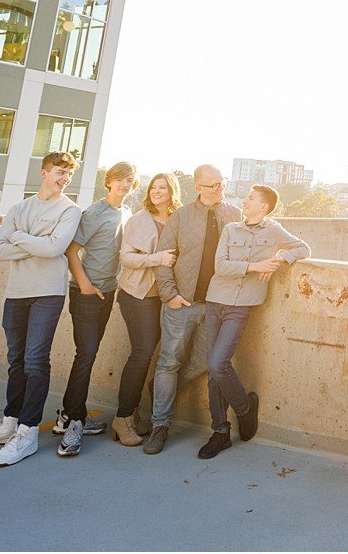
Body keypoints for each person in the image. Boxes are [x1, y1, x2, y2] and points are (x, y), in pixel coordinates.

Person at [0, 151, 82, 467]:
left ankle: (28, 433)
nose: (64, 178)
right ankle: (9, 423)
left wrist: (17, 236)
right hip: (16, 293)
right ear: (44, 172)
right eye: (59, 172)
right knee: (15, 359)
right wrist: (34, 241)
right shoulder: (19, 208)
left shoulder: (70, 210)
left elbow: (55, 248)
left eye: (69, 174)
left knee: (34, 360)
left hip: (48, 294)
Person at [195, 184, 310, 460]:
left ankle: (245, 409)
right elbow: (220, 266)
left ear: (264, 207)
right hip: (216, 301)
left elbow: (303, 248)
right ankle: (220, 431)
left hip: (242, 306)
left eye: (250, 199)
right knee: (213, 372)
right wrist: (256, 266)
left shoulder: (274, 231)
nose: (244, 202)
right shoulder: (231, 229)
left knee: (217, 363)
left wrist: (281, 258)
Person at [144, 164, 241, 454]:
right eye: (212, 185)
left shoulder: (234, 215)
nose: (219, 189)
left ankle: (159, 390)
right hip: (181, 304)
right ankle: (159, 425)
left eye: (221, 183)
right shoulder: (181, 216)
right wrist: (170, 295)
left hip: (216, 306)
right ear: (199, 188)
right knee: (168, 362)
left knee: (206, 364)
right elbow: (165, 259)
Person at [52, 162, 136, 456]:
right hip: (86, 293)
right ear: (109, 182)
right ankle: (74, 421)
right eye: (120, 180)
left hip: (108, 292)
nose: (125, 184)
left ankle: (67, 415)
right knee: (85, 353)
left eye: (130, 180)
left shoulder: (126, 212)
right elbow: (71, 250)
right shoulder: (95, 213)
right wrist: (85, 284)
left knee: (89, 353)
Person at [110, 172, 181, 447]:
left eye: (163, 187)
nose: (157, 191)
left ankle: (136, 414)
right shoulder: (139, 220)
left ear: (172, 191)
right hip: (137, 295)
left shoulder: (178, 219)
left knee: (158, 355)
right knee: (142, 352)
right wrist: (157, 259)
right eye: (154, 187)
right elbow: (126, 258)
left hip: (164, 297)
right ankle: (123, 417)